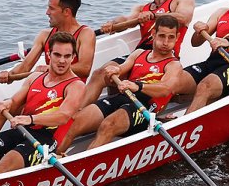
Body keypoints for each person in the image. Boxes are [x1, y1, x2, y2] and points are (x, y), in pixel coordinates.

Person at [0, 32, 85, 181]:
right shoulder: (35, 77)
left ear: (73, 57)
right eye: (57, 55)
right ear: (49, 54)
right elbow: (14, 101)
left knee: (4, 167)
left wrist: (31, 119)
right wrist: (7, 103)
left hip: (46, 139)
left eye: (67, 56)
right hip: (22, 129)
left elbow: (63, 116)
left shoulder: (75, 85)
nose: (62, 61)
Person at [56, 15, 182, 154]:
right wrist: (115, 70)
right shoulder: (139, 53)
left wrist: (138, 86)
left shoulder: (174, 65)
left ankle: (81, 167)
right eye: (162, 36)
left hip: (146, 106)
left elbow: (165, 89)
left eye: (171, 37)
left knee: (108, 125)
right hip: (125, 97)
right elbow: (122, 68)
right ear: (153, 34)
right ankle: (50, 162)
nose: (165, 42)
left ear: (177, 37)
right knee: (75, 121)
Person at [81, 0, 194, 109]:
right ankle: (80, 114)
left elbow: (184, 17)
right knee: (101, 73)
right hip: (138, 56)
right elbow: (127, 21)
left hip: (164, 58)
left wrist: (154, 15)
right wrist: (113, 24)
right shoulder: (142, 9)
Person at [0, 0, 95, 83]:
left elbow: (85, 68)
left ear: (66, 12)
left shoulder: (85, 34)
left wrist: (52, 68)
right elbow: (25, 67)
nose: (47, 12)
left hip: (72, 91)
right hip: (49, 90)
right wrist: (9, 75)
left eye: (51, 8)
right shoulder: (44, 35)